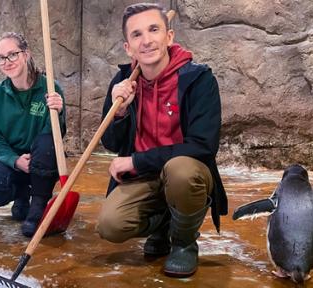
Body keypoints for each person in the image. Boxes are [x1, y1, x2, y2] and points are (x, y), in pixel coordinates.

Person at [97, 3, 227, 278]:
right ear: (128, 47)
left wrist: (135, 160)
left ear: (169, 37)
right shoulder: (122, 82)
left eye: (153, 30)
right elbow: (109, 142)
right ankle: (163, 226)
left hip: (184, 173)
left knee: (181, 171)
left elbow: (203, 146)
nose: (146, 41)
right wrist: (118, 111)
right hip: (143, 177)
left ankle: (183, 243)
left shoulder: (198, 80)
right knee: (110, 225)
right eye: (136, 35)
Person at [0, 32, 66, 237]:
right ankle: (22, 195)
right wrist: (15, 160)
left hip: (42, 157)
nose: (7, 61)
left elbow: (56, 136)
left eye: (13, 54)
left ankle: (38, 205)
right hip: (14, 160)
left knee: (47, 144)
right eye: (1, 57)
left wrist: (58, 113)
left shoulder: (50, 88)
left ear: (26, 55)